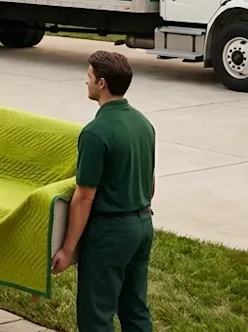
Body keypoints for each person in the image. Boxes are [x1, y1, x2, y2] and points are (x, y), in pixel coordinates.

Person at [52, 50, 156, 332]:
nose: (86, 81)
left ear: (102, 83)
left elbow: (84, 197)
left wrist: (67, 248)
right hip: (143, 225)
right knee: (135, 308)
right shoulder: (143, 124)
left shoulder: (95, 133)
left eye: (89, 76)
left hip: (110, 235)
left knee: (95, 315)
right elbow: (150, 182)